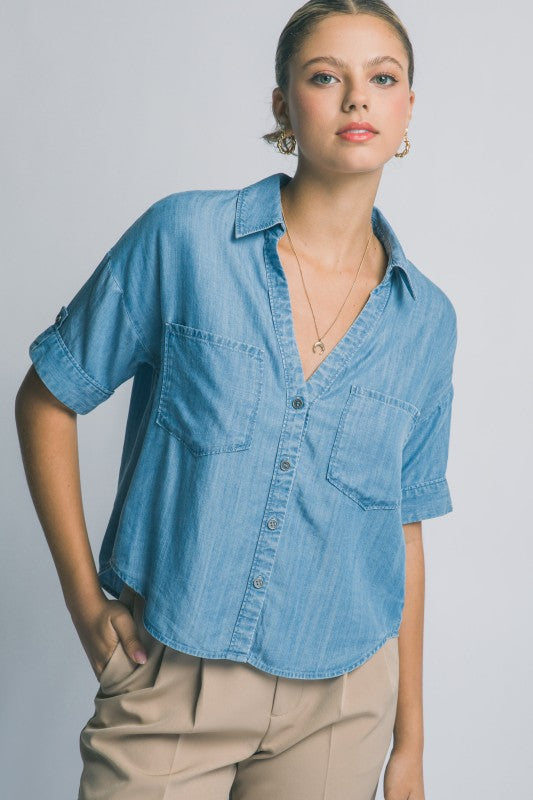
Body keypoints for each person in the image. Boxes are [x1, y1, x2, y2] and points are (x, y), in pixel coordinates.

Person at [15, 1, 457, 798]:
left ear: (406, 109)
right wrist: (86, 606)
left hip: (343, 706)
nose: (357, 97)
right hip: (172, 675)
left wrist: (410, 743)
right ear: (284, 105)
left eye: (382, 78)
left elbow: (403, 529)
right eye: (325, 77)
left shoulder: (425, 320)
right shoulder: (184, 239)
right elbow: (48, 399)